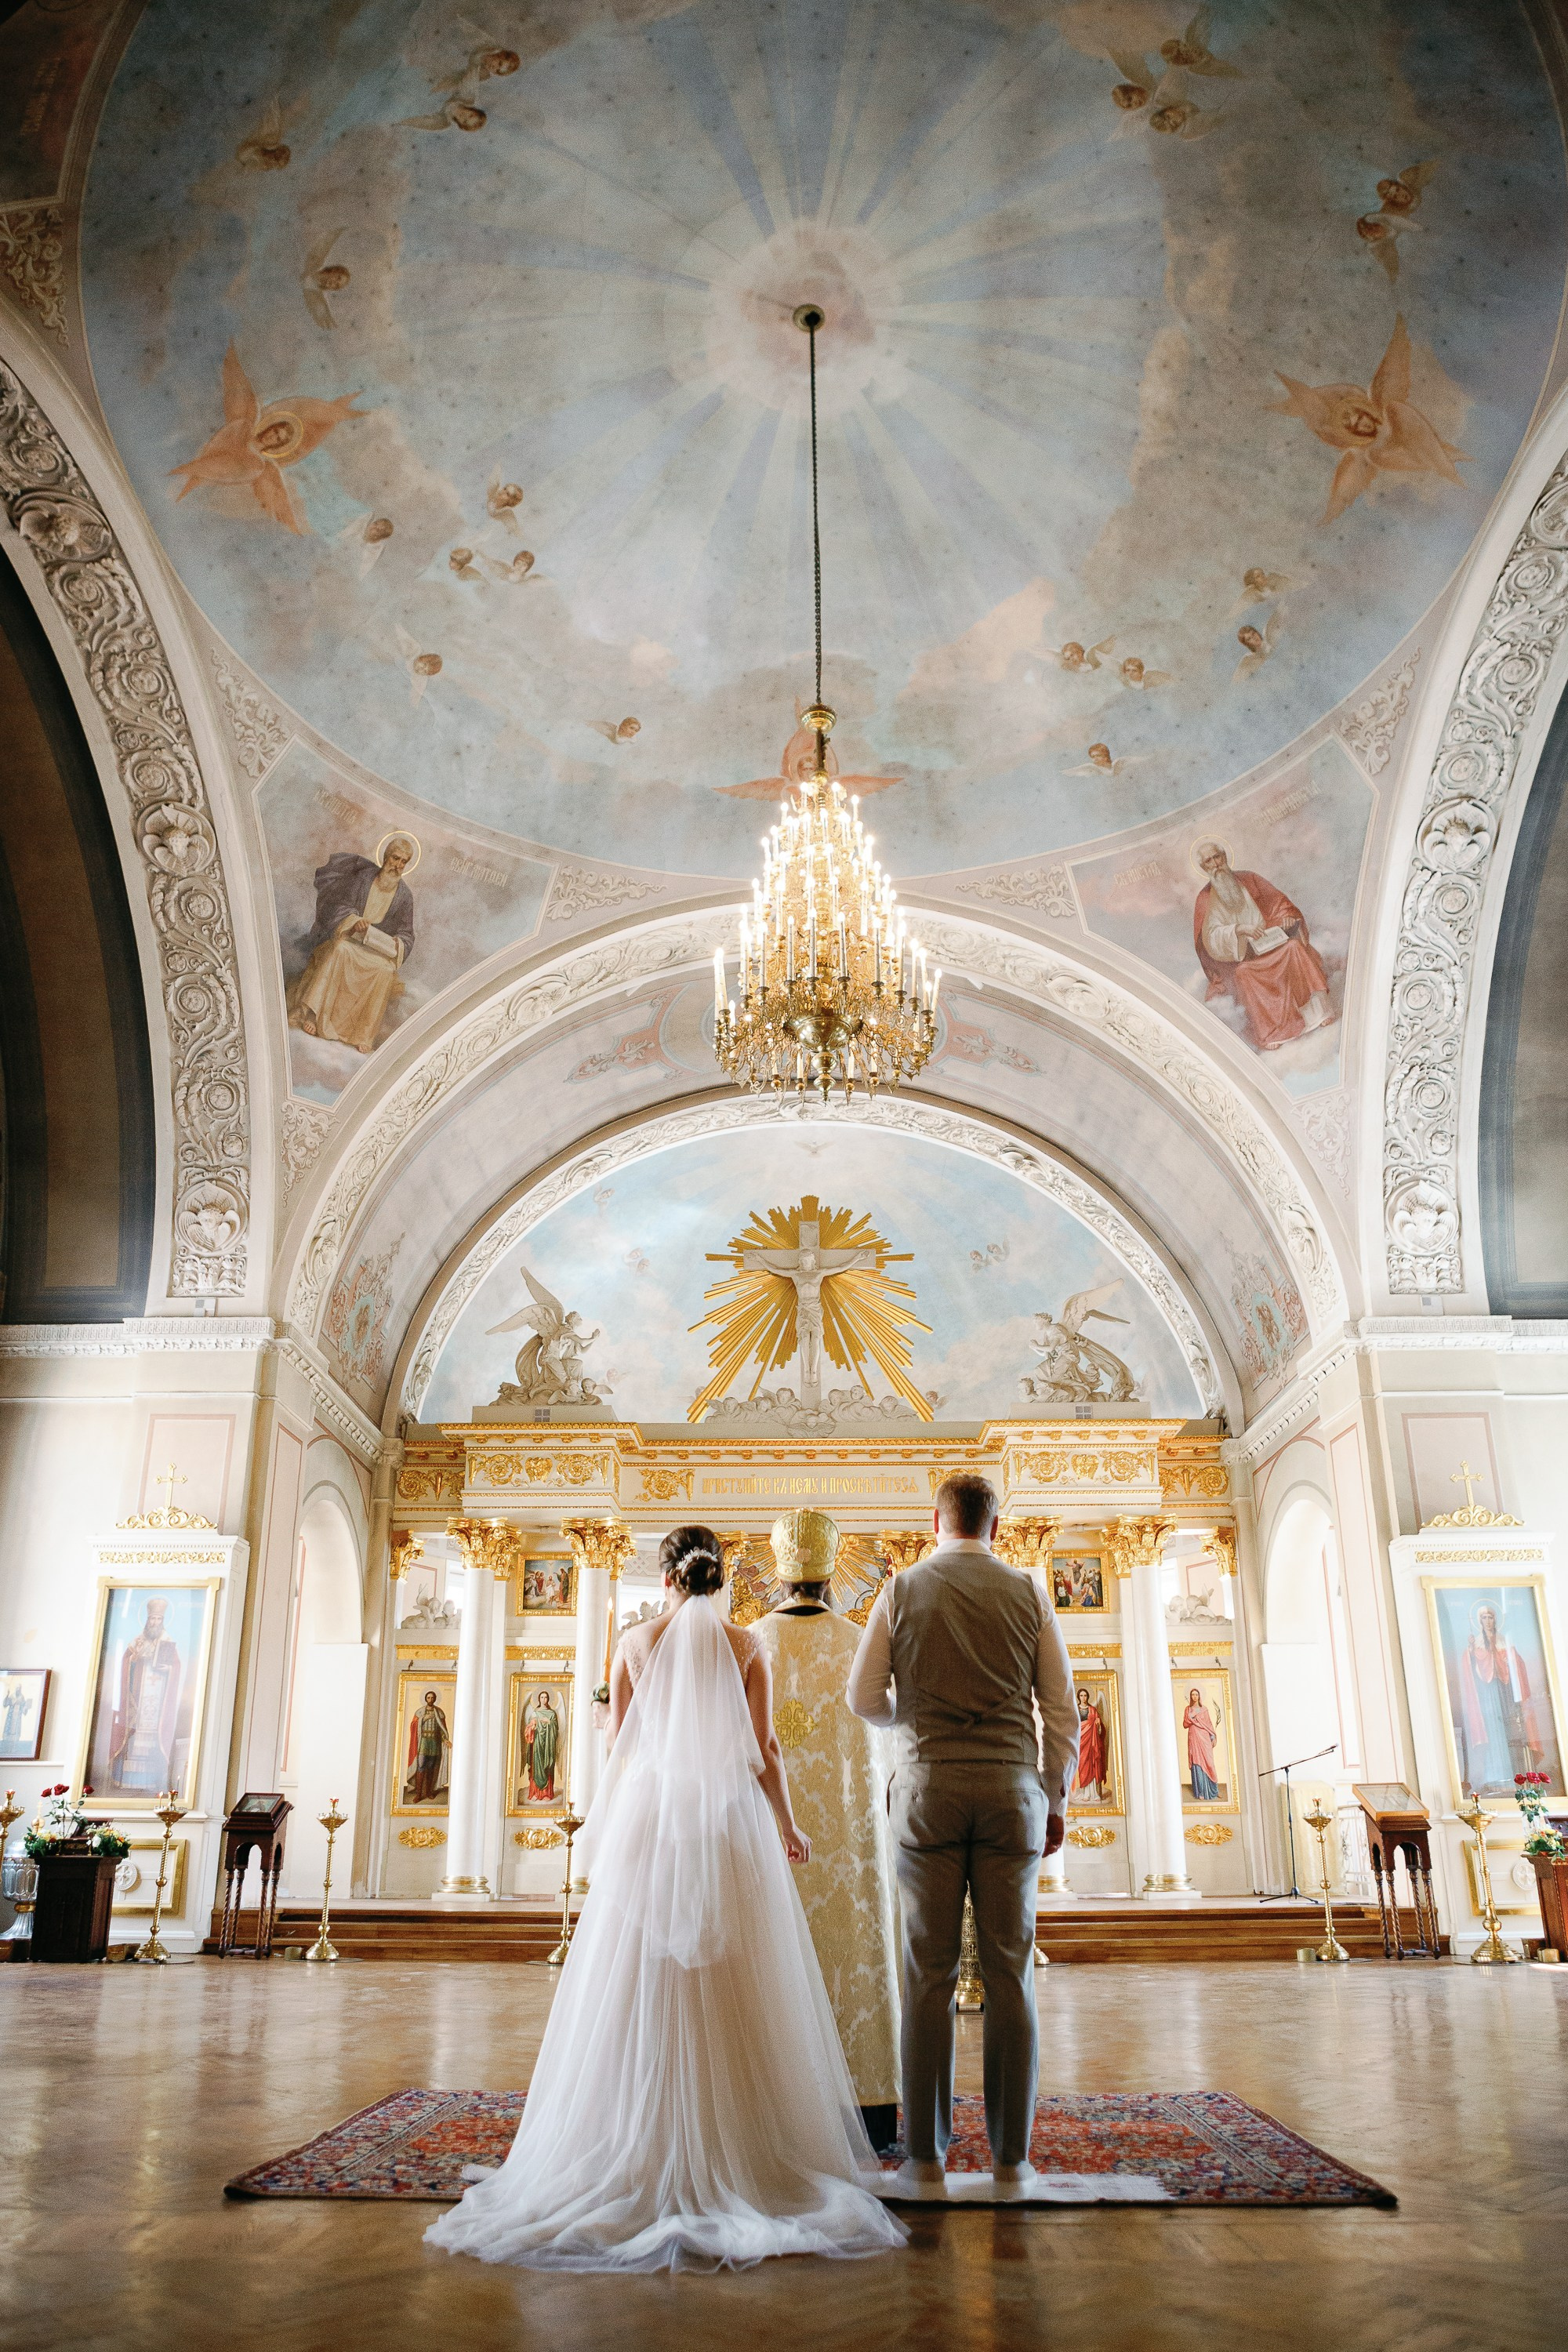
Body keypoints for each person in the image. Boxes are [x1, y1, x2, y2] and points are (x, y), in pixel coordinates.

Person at [426, 1526, 906, 2273]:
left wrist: (609, 1814)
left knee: (636, 1974)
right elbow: (766, 1750)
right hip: (726, 1827)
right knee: (739, 1976)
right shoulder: (748, 1647)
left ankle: (631, 2136)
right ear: (719, 1575)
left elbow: (622, 1743)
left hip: (651, 1826)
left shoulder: (632, 1641)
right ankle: (743, 2139)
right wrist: (787, 1824)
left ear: (667, 1576)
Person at [848, 1472, 1078, 2198]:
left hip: (927, 1795)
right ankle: (1012, 2159)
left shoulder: (902, 1589)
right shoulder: (1030, 1591)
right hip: (1014, 1794)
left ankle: (925, 2157)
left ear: (934, 1522)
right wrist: (1056, 1798)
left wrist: (908, 1719)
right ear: (996, 1527)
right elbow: (1062, 1710)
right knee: (1011, 1974)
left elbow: (862, 1696)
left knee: (928, 1975)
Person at [753, 1509, 902, 2152]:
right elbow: (889, 1733)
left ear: (780, 1571)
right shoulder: (858, 1638)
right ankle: (870, 2110)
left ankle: (774, 2106)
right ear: (830, 1569)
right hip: (850, 1834)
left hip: (769, 1832)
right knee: (856, 1956)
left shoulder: (749, 1637)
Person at [1191, 839, 1334, 1052]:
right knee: (1244, 975)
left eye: (1218, 857)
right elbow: (1209, 939)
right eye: (1209, 861)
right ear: (1204, 868)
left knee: (1294, 949)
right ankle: (1273, 1032)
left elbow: (1279, 904)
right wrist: (1238, 930)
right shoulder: (1205, 899)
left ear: (1225, 857)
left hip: (1273, 944)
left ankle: (1317, 1013)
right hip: (1242, 958)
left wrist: (1286, 917)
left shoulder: (1249, 880)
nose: (1216, 864)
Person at [289, 834, 416, 1053]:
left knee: (385, 970)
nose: (398, 866)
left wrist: (398, 942)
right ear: (386, 857)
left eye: (404, 862)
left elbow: (407, 933)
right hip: (350, 940)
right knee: (340, 950)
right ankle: (313, 1014)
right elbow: (341, 906)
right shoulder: (364, 878)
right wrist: (354, 922)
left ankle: (362, 1035)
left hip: (375, 951)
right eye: (395, 858)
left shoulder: (405, 896)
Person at [1181, 1688, 1221, 1802]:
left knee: (1209, 1762)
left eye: (1196, 1695)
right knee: (1197, 1763)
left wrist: (1212, 1736)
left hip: (1204, 1737)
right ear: (1190, 1696)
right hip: (1194, 1737)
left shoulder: (1204, 1709)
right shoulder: (1188, 1709)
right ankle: (1201, 1791)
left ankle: (1214, 1790)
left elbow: (1208, 1723)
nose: (1194, 1697)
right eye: (1192, 1695)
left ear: (1199, 1696)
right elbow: (1185, 1724)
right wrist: (1191, 1716)